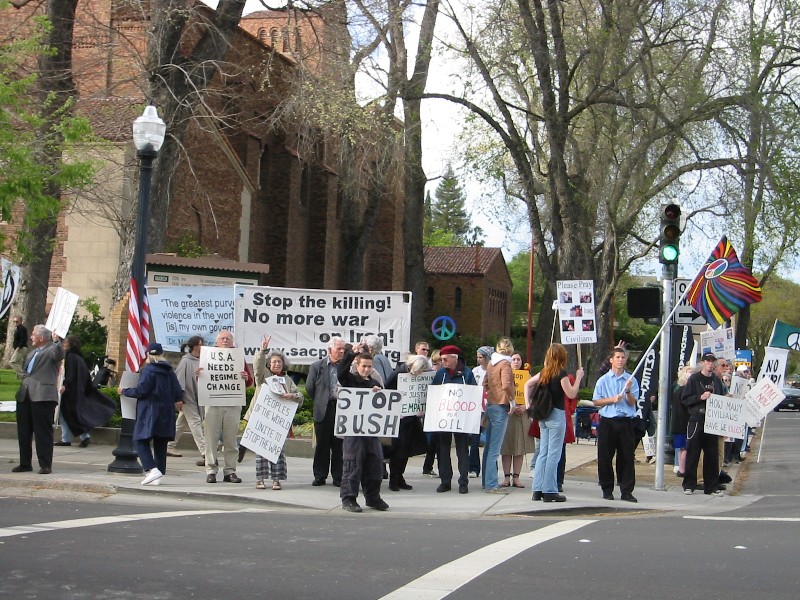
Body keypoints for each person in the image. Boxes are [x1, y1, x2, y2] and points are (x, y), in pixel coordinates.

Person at [119, 343, 184, 486]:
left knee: (139, 440)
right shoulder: (170, 371)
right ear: (162, 354)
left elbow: (141, 391)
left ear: (148, 354)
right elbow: (178, 392)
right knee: (161, 443)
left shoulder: (148, 370)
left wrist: (124, 391)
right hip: (166, 411)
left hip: (149, 410)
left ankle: (152, 469)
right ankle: (158, 474)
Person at [526, 343, 584, 502]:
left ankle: (537, 488)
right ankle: (550, 489)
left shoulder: (544, 372)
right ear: (562, 356)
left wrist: (528, 404)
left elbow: (528, 384)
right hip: (556, 414)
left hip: (543, 416)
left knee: (543, 452)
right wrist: (578, 378)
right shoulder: (561, 373)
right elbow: (571, 393)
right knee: (554, 453)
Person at [337, 341, 389, 512]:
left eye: (369, 366)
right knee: (353, 465)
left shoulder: (374, 383)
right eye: (363, 366)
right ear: (357, 366)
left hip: (371, 432)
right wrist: (351, 353)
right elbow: (341, 372)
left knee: (375, 464)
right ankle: (348, 499)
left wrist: (379, 394)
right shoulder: (350, 380)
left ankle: (373, 498)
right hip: (354, 431)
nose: (366, 369)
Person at [249, 345, 304, 490]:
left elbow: (300, 396)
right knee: (260, 451)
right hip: (262, 419)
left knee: (277, 451)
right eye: (274, 362)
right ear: (268, 364)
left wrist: (292, 395)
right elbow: (257, 366)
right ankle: (260, 479)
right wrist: (262, 352)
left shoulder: (288, 380)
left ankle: (276, 479)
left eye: (279, 361)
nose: (277, 364)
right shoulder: (263, 377)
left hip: (278, 422)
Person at [201, 330, 251, 484]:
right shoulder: (208, 356)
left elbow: (249, 382)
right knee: (211, 439)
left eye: (228, 339)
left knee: (230, 440)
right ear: (217, 342)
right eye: (222, 338)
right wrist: (198, 375)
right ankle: (211, 470)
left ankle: (230, 471)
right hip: (213, 403)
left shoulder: (238, 357)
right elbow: (201, 381)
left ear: (232, 342)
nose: (225, 341)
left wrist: (245, 377)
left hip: (233, 403)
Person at [13, 325, 64, 474]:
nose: (31, 337)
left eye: (33, 334)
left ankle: (45, 464)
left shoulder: (51, 350)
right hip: (25, 395)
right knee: (24, 431)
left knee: (43, 432)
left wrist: (57, 341)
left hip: (43, 397)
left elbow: (59, 355)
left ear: (41, 337)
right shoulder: (32, 352)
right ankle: (25, 463)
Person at [592, 346, 639, 502]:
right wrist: (611, 399)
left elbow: (632, 403)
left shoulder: (631, 380)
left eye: (623, 357)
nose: (620, 360)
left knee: (626, 457)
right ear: (611, 360)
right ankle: (607, 489)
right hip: (608, 421)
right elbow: (596, 401)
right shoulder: (603, 380)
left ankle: (626, 491)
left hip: (625, 422)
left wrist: (628, 391)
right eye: (617, 357)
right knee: (605, 457)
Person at [431, 344, 477, 494]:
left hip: (461, 419)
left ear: (454, 358)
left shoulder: (467, 373)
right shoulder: (440, 374)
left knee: (462, 450)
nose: (443, 362)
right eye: (442, 359)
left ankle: (463, 481)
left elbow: (474, 394)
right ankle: (445, 481)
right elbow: (433, 393)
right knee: (443, 450)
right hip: (443, 418)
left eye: (445, 359)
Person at [56, 335, 116, 448]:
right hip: (77, 390)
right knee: (71, 414)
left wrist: (65, 385)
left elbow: (70, 374)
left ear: (70, 344)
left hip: (70, 391)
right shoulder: (78, 357)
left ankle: (73, 438)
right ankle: (73, 438)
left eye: (66, 342)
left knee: (66, 414)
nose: (64, 344)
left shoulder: (70, 357)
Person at [385, 353, 432, 491]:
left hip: (412, 418)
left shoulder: (416, 375)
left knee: (406, 450)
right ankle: (394, 479)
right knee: (398, 451)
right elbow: (386, 393)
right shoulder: (397, 375)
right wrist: (394, 411)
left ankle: (399, 477)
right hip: (399, 419)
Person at [681, 352, 725, 496]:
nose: (710, 363)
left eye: (712, 361)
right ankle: (689, 484)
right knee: (693, 453)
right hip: (697, 419)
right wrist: (700, 397)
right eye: (708, 361)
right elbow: (685, 399)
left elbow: (721, 399)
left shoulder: (716, 381)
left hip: (712, 420)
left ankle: (711, 486)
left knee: (712, 455)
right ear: (703, 362)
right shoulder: (694, 379)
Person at [307, 336, 346, 486]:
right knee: (322, 445)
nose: (342, 351)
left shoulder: (347, 366)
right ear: (330, 350)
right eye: (339, 349)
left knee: (339, 445)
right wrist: (321, 400)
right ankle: (320, 475)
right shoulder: (317, 366)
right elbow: (310, 388)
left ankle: (338, 477)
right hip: (324, 409)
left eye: (343, 349)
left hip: (342, 409)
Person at [166, 336, 206, 466]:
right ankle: (205, 452)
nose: (203, 346)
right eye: (200, 344)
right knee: (195, 422)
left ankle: (169, 445)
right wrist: (178, 398)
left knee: (181, 424)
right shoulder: (185, 361)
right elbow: (178, 380)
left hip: (197, 396)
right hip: (187, 397)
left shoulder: (202, 360)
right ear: (195, 346)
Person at [481, 338, 515, 494]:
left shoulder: (491, 363)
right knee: (495, 448)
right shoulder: (505, 364)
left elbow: (485, 383)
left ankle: (487, 480)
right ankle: (491, 484)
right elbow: (506, 384)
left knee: (489, 447)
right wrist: (512, 400)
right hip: (501, 405)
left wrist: (491, 393)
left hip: (491, 404)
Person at [500, 351, 534, 489]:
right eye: (513, 359)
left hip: (522, 414)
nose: (516, 362)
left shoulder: (528, 377)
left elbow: (533, 396)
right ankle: (506, 477)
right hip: (508, 412)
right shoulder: (504, 374)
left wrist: (525, 406)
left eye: (518, 359)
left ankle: (517, 477)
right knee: (506, 446)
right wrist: (510, 405)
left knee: (519, 446)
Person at [468, 346, 493, 479]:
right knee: (474, 440)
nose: (478, 359)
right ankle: (473, 467)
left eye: (481, 357)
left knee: (490, 440)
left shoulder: (493, 369)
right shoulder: (475, 371)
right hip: (477, 408)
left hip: (490, 406)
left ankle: (490, 469)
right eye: (477, 357)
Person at [421, 349, 441, 477]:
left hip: (434, 410)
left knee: (434, 442)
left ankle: (428, 466)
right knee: (434, 441)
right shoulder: (433, 374)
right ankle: (428, 467)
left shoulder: (432, 373)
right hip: (431, 411)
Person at [671, 365, 693, 476]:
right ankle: (683, 469)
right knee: (685, 447)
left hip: (678, 422)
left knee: (681, 448)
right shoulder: (684, 391)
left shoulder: (678, 391)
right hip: (684, 423)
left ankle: (681, 467)